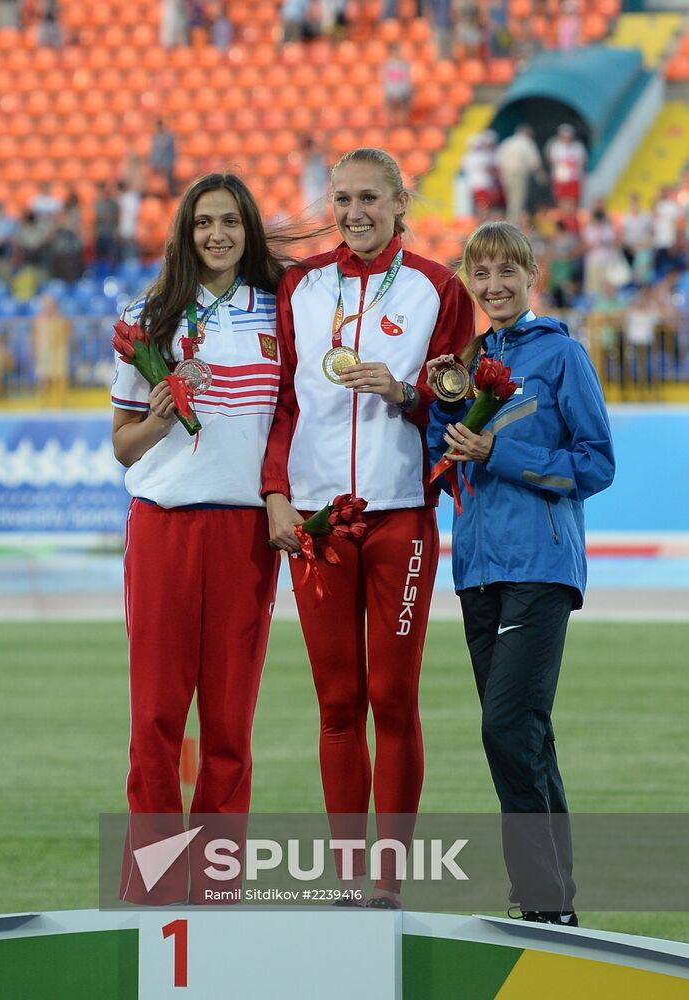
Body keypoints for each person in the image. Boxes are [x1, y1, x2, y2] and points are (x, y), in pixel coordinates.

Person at [262, 147, 475, 909]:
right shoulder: (300, 286)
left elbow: (457, 400)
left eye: (370, 199)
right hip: (318, 521)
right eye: (343, 198)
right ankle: (350, 878)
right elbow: (281, 403)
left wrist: (407, 391)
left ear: (399, 202)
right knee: (338, 701)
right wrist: (275, 493)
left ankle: (391, 878)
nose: (354, 212)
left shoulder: (435, 286)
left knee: (393, 695)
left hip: (399, 519)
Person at [426, 221, 615, 927]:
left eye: (508, 271)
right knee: (526, 732)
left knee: (506, 726)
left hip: (540, 563)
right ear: (470, 283)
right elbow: (448, 462)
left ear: (530, 275)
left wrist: (493, 454)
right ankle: (555, 905)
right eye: (482, 274)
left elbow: (596, 464)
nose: (495, 285)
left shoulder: (562, 354)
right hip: (476, 568)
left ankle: (538, 897)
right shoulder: (466, 358)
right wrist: (434, 425)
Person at [112, 173, 286, 905]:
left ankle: (216, 889)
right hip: (164, 528)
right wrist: (158, 415)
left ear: (248, 231)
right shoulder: (148, 316)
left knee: (229, 721)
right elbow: (124, 446)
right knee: (155, 715)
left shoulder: (283, 313)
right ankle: (154, 888)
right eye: (204, 222)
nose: (217, 235)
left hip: (245, 534)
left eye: (231, 222)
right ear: (184, 232)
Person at [32, 294, 71, 405]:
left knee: (60, 377)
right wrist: (35, 351)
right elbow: (35, 336)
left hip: (58, 351)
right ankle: (44, 402)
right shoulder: (39, 319)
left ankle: (62, 401)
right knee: (44, 378)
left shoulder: (60, 319)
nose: (49, 307)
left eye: (51, 305)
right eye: (47, 305)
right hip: (44, 351)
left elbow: (66, 332)